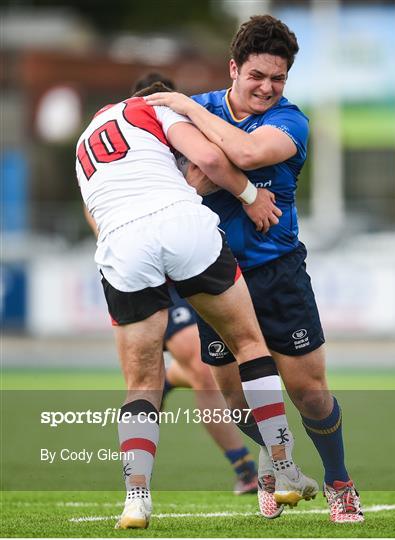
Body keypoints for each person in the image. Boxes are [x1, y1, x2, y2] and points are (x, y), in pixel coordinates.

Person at [146, 14, 364, 524]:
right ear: (233, 69)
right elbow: (181, 181)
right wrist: (231, 187)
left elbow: (242, 151)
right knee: (236, 401)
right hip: (213, 276)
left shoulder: (290, 122)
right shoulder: (198, 110)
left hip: (277, 273)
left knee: (309, 393)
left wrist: (184, 113)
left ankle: (339, 481)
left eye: (278, 78)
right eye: (257, 76)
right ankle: (277, 454)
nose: (268, 87)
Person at [75, 80, 293, 530]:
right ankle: (284, 467)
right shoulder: (158, 110)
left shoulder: (84, 141)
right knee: (249, 344)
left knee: (139, 383)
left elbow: (96, 213)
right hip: (179, 222)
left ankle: (136, 499)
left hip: (122, 244)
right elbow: (211, 160)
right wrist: (251, 197)